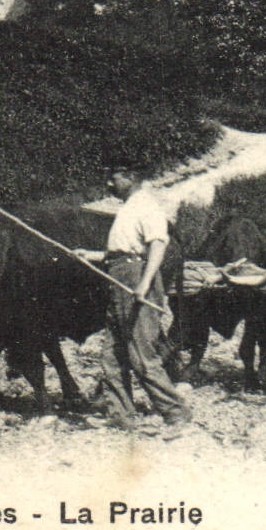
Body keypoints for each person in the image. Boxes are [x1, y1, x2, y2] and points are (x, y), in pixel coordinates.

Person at [94, 168, 192, 436]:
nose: (110, 183)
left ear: (130, 178)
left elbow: (158, 244)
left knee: (140, 354)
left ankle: (176, 413)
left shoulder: (147, 205)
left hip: (136, 276)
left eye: (114, 178)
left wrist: (145, 283)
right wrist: (90, 255)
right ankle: (121, 417)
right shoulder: (128, 208)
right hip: (118, 275)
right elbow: (121, 250)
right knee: (112, 354)